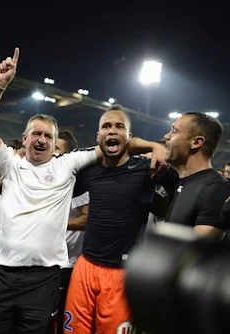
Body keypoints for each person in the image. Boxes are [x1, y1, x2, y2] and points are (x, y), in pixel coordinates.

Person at [0, 47, 165, 333]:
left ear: (54, 141)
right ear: (24, 139)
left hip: (45, 276)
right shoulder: (9, 163)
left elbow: (116, 141)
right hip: (2, 270)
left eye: (48, 136)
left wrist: (154, 146)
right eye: (35, 134)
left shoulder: (68, 164)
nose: (41, 140)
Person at [62, 105, 178, 334]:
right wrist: (152, 144)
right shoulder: (88, 171)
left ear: (130, 137)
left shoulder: (148, 170)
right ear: (98, 137)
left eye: (119, 126)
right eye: (106, 126)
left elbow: (176, 191)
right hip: (85, 267)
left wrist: (156, 147)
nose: (112, 131)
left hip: (123, 272)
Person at [163, 112, 230, 236]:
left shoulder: (214, 188)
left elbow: (199, 251)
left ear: (196, 142)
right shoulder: (182, 181)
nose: (166, 136)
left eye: (174, 131)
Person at [53, 130, 89, 334]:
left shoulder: (79, 184)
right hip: (45, 261)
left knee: (60, 318)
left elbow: (86, 219)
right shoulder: (47, 180)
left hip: (68, 264)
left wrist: (56, 224)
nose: (52, 153)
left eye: (57, 149)